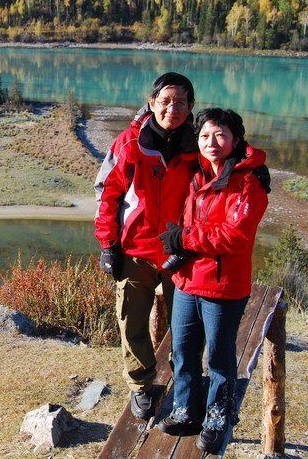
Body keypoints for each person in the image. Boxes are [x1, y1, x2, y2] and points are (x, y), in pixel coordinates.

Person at [156, 108, 270, 454]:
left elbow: (234, 236)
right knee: (184, 350)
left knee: (220, 359)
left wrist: (185, 239)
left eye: (220, 135)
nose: (211, 142)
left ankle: (218, 417)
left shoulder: (248, 182)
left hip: (223, 287)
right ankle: (186, 408)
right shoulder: (198, 174)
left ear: (236, 138)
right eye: (205, 135)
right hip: (188, 282)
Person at [94, 72, 199, 420]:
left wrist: (252, 169)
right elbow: (106, 195)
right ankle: (141, 385)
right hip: (135, 251)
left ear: (191, 107)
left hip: (180, 253)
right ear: (152, 103)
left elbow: (230, 154)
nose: (173, 108)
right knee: (132, 322)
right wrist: (108, 245)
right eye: (166, 100)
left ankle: (185, 380)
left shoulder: (198, 146)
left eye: (181, 102)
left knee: (185, 324)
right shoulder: (129, 143)